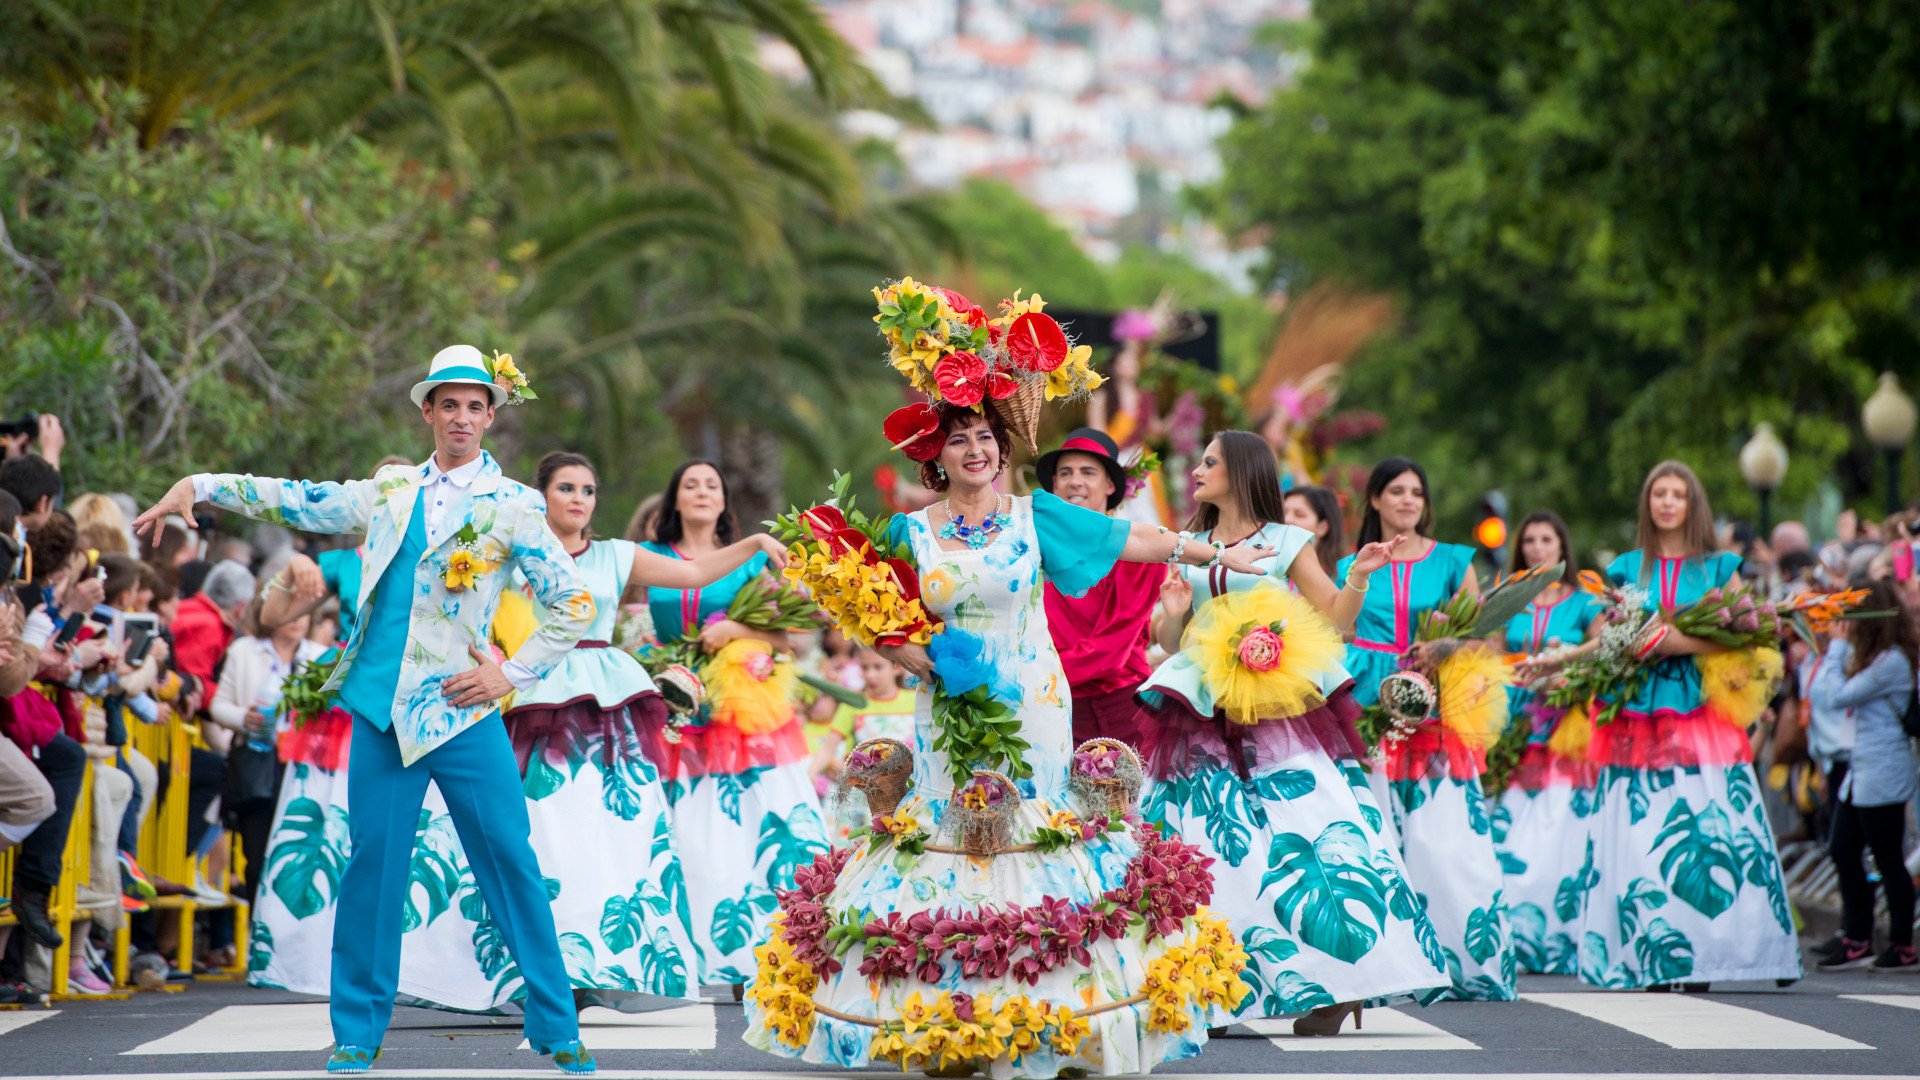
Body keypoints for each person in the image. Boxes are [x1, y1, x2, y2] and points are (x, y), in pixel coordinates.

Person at [746, 402, 1280, 1075]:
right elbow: (862, 604)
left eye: (985, 440)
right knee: (953, 828)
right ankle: (946, 1019)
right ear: (935, 460)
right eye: (960, 442)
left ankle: (1063, 1015)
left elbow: (1129, 541)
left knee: (1034, 825)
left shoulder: (1035, 515)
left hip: (1032, 697)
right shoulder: (909, 531)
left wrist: (1214, 552)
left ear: (1002, 452)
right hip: (945, 699)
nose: (975, 451)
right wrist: (895, 643)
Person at [134, 344, 600, 1075]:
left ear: (490, 416)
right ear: (428, 412)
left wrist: (508, 674)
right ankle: (356, 1032)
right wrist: (200, 483)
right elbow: (294, 496)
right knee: (372, 868)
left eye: (476, 406)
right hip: (381, 713)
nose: (462, 418)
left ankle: (558, 1024)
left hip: (462, 713)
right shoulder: (387, 494)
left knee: (510, 861)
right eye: (449, 404)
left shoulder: (514, 505)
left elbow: (573, 602)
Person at [1138, 432, 1444, 1035]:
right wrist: (1174, 615)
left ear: (1242, 472)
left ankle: (1341, 985)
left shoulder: (1288, 541)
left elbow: (1333, 622)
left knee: (1312, 825)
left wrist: (1358, 575)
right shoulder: (1189, 544)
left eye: (1208, 463)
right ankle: (1214, 984)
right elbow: (1174, 643)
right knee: (1201, 839)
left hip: (1277, 705)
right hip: (1201, 705)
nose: (1196, 471)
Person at [1573, 461, 1801, 990]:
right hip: (1638, 714)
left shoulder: (1722, 568)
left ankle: (1717, 950)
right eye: (1659, 493)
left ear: (1693, 503)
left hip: (1700, 713)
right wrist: (1566, 659)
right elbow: (1609, 638)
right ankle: (1654, 948)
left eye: (1678, 494)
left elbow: (1749, 635)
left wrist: (1678, 643)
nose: (1668, 502)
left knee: (1711, 824)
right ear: (1648, 504)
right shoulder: (1627, 568)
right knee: (1644, 832)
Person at [637, 459, 827, 992]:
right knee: (687, 835)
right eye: (690, 484)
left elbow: (793, 637)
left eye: (712, 485)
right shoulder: (649, 558)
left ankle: (767, 955)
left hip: (744, 712)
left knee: (755, 830)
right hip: (673, 707)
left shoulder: (748, 565)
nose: (701, 492)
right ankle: (684, 955)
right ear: (673, 499)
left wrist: (736, 629)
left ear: (724, 502)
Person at [1337, 456, 1517, 1002]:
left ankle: (1464, 963)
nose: (1408, 500)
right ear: (1375, 499)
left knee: (1445, 838)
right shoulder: (1353, 563)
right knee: (1373, 834)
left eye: (1417, 491)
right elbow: (1336, 627)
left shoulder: (1455, 561)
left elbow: (1486, 640)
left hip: (1436, 706)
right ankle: (1378, 971)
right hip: (1366, 702)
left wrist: (1446, 648)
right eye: (1396, 490)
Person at [1494, 511, 1604, 975]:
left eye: (1548, 539)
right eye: (1531, 540)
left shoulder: (1584, 602)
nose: (1539, 547)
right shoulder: (1506, 599)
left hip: (1565, 727)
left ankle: (1560, 940)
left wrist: (1562, 670)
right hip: (1515, 725)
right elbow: (1492, 654)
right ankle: (1514, 939)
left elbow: (1603, 650)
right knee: (1511, 829)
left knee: (1558, 831)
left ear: (1563, 547)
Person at [1807, 577, 1917, 972]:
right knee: (1843, 849)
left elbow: (1834, 696)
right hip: (1862, 768)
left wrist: (1835, 647)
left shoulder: (1891, 660)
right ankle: (1857, 935)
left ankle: (1902, 942)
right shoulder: (1870, 657)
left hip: (1884, 768)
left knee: (1887, 857)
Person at [1036, 427, 1168, 746]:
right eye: (1065, 472)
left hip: (1127, 705)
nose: (1075, 481)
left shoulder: (1143, 553)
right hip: (1057, 711)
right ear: (1054, 485)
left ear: (1110, 484)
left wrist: (1036, 674)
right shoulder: (1031, 549)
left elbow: (1115, 646)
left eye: (1087, 472)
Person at [1283, 484, 1345, 578]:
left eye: (1299, 515)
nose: (1286, 519)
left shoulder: (1344, 579)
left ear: (1322, 527)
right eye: (1283, 513)